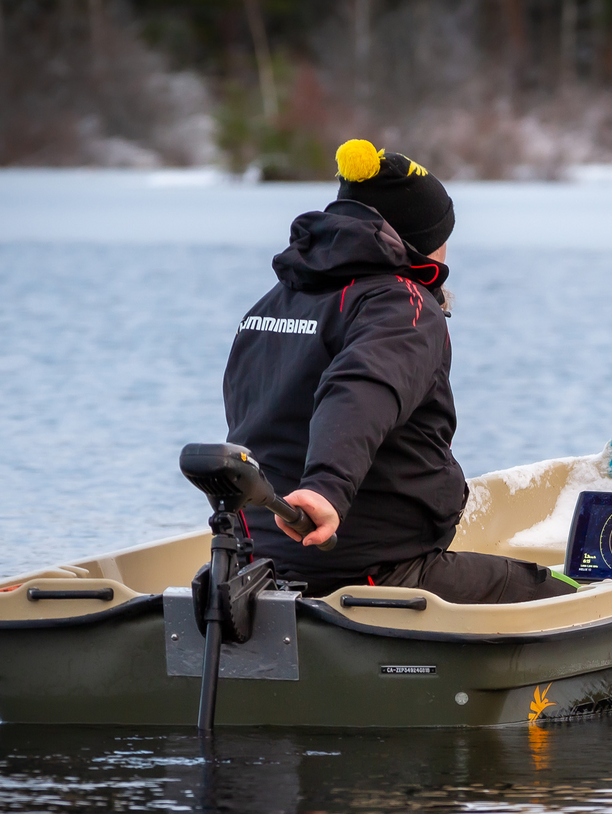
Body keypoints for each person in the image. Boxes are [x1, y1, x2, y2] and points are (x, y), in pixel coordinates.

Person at [222, 139, 577, 604]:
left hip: (264, 567)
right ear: (417, 244)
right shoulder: (403, 304)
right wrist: (326, 488)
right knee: (561, 593)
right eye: (443, 239)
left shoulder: (274, 304)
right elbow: (363, 389)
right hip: (373, 572)